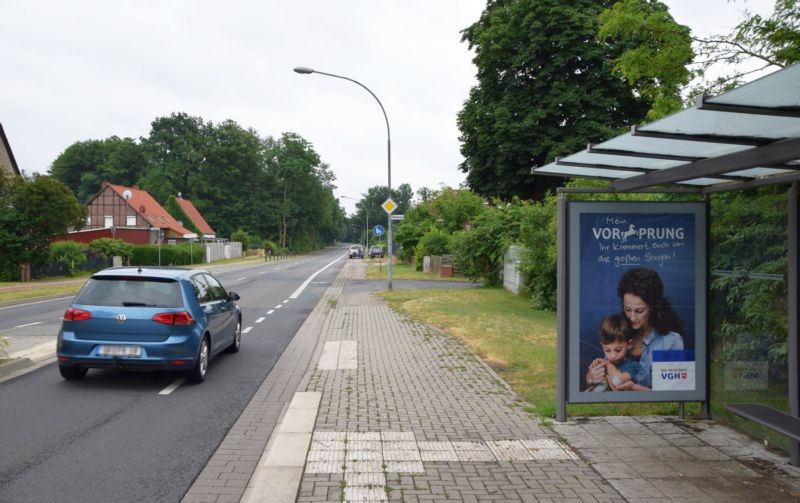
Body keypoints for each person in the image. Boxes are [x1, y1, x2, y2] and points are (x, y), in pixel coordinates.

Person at [585, 267, 684, 391]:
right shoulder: (621, 330)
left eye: (640, 311)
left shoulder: (672, 341)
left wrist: (633, 389)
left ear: (653, 307)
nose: (632, 317)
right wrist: (591, 378)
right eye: (627, 309)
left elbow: (675, 394)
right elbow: (604, 373)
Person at [586, 314, 640, 392]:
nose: (613, 355)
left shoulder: (633, 366)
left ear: (629, 344)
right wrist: (590, 377)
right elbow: (589, 382)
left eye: (618, 350)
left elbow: (617, 381)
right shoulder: (601, 363)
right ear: (602, 345)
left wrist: (608, 364)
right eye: (607, 350)